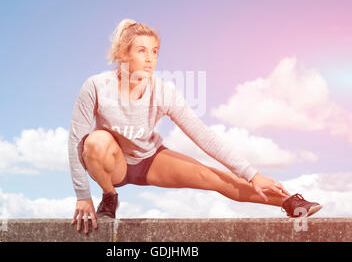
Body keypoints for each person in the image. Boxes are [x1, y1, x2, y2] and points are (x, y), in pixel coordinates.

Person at [69, 19, 322, 234]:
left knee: (213, 177)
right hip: (113, 165)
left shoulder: (163, 91)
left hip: (149, 160)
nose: (150, 59)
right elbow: (75, 142)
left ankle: (290, 202)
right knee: (95, 141)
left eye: (155, 51)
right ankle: (109, 197)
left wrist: (252, 174)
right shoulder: (96, 86)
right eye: (142, 51)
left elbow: (203, 136)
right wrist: (82, 196)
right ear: (124, 53)